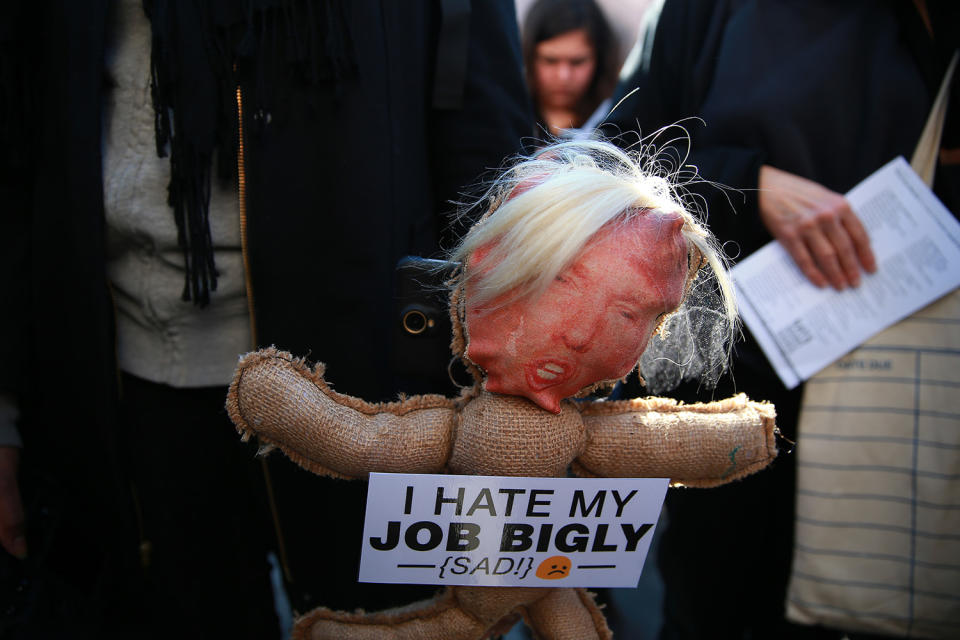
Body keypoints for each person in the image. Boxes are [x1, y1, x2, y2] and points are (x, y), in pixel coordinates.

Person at [0, 0, 531, 637]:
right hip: (120, 376)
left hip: (371, 381)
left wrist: (508, 384)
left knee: (390, 620)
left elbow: (486, 159)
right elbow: (20, 145)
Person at [600, 1, 958, 638]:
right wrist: (750, 185)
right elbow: (616, 163)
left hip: (893, 388)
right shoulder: (704, 12)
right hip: (722, 395)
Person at [522, 0, 619, 139]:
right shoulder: (505, 117)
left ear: (599, 60)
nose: (563, 76)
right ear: (529, 57)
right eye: (550, 61)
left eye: (577, 62)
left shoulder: (618, 119)